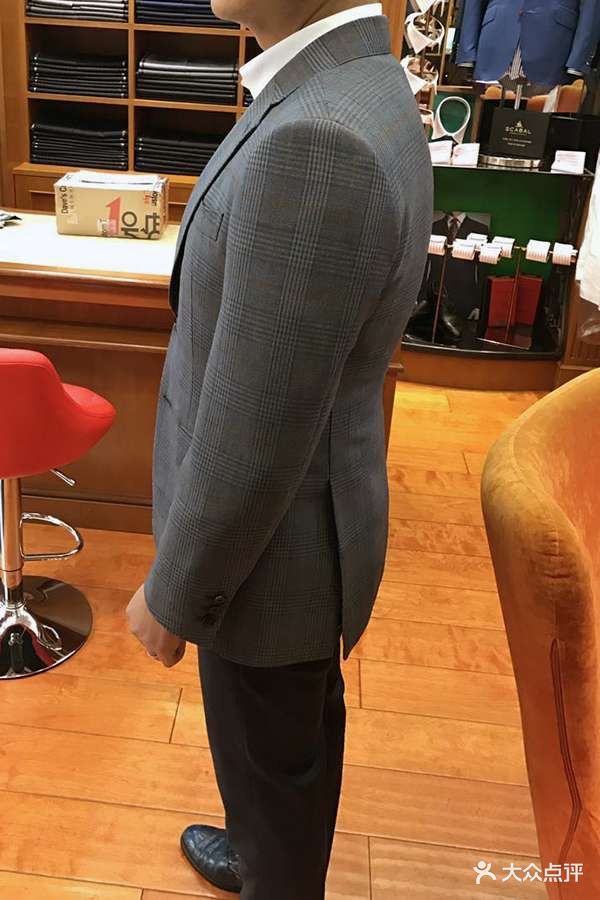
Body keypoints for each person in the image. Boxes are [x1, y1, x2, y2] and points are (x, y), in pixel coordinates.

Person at [126, 2, 432, 897]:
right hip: (302, 526)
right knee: (284, 745)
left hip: (267, 555)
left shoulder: (319, 139)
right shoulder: (355, 84)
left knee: (272, 745)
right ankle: (264, 843)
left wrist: (174, 593)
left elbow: (255, 428)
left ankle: (277, 868)